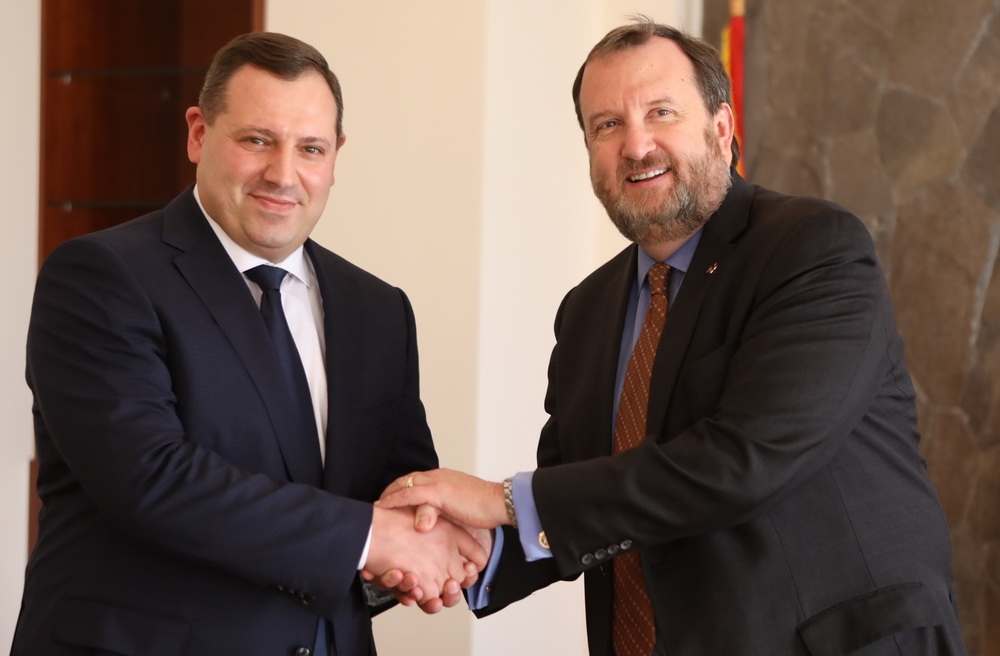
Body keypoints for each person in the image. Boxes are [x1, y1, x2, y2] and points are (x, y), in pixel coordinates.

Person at [378, 17, 968, 656]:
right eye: (607, 125)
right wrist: (461, 550)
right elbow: (585, 493)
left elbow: (742, 461)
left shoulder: (812, 250)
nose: (636, 145)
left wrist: (503, 501)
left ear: (721, 127)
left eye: (661, 112)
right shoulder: (587, 310)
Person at [12, 31, 485, 656]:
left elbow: (400, 493)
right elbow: (151, 479)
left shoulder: (378, 310)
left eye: (310, 148)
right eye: (257, 140)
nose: (283, 175)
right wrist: (373, 538)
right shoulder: (102, 276)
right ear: (198, 134)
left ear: (336, 156)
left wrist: (434, 541)